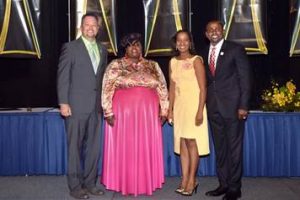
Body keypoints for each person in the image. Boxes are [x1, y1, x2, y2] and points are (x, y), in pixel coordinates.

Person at [101, 33, 169, 196]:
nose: (134, 48)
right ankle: (124, 181)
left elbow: (162, 87)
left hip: (147, 114)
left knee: (145, 144)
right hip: (123, 114)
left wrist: (165, 110)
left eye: (137, 44)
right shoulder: (115, 65)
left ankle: (146, 182)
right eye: (131, 45)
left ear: (142, 48)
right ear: (126, 48)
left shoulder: (153, 65)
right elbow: (107, 88)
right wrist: (108, 111)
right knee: (126, 145)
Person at [57, 12, 107, 199]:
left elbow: (101, 80)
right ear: (81, 27)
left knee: (94, 149)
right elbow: (62, 76)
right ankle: (75, 186)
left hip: (96, 107)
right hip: (75, 107)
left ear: (98, 28)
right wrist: (63, 102)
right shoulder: (70, 48)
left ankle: (90, 183)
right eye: (87, 25)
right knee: (74, 149)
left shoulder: (102, 50)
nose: (90, 28)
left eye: (94, 25)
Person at [202, 20, 252, 200]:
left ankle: (234, 188)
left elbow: (245, 79)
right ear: (206, 34)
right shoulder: (203, 52)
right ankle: (223, 184)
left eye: (217, 28)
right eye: (210, 30)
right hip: (213, 108)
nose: (214, 32)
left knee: (234, 149)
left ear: (222, 30)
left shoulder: (235, 49)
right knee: (220, 148)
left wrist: (244, 106)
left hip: (233, 108)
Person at [168, 30, 210, 196]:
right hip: (179, 107)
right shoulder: (172, 61)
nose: (182, 43)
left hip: (194, 106)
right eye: (179, 40)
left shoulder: (196, 60)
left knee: (192, 142)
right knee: (182, 144)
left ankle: (193, 180)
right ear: (175, 43)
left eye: (185, 40)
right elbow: (172, 87)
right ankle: (184, 179)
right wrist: (170, 109)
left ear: (190, 42)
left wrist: (200, 110)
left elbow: (203, 88)